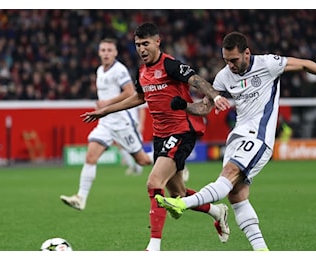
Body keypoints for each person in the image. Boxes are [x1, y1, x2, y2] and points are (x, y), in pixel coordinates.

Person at [154, 31, 316, 251]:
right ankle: (261, 250)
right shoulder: (224, 76)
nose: (230, 65)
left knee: (227, 175)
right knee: (236, 194)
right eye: (226, 60)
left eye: (234, 60)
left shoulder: (268, 64)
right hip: (238, 135)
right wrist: (185, 106)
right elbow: (205, 108)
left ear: (247, 53)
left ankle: (182, 203)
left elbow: (304, 64)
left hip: (259, 136)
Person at [80, 22, 232, 251]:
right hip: (160, 135)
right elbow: (137, 98)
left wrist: (215, 96)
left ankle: (153, 247)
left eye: (145, 44)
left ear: (157, 42)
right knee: (178, 193)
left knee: (153, 183)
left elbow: (196, 80)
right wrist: (103, 111)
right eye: (138, 45)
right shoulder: (142, 72)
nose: (141, 49)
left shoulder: (169, 65)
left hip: (182, 130)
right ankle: (216, 211)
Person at [60, 38, 154, 211]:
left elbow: (130, 92)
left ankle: (171, 155)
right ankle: (81, 197)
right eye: (103, 50)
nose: (106, 53)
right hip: (105, 123)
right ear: (99, 52)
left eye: (109, 50)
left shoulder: (119, 70)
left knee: (143, 161)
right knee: (90, 157)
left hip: (122, 123)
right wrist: (103, 106)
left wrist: (107, 103)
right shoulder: (100, 71)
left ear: (115, 53)